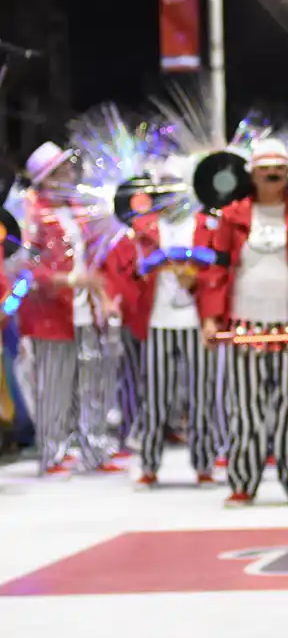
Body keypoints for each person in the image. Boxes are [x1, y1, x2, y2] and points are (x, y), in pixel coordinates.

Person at [199, 137, 288, 506]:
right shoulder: (232, 215)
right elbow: (217, 271)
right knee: (246, 408)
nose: (273, 175)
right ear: (253, 174)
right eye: (265, 170)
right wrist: (211, 318)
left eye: (279, 170)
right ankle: (243, 483)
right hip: (246, 324)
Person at [104, 155, 218, 487]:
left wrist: (196, 279)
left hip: (195, 321)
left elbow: (217, 272)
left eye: (174, 188)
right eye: (163, 189)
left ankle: (204, 464)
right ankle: (150, 464)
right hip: (156, 322)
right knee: (154, 396)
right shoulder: (145, 227)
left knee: (201, 395)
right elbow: (128, 271)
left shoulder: (204, 225)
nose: (169, 195)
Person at [17, 141, 124, 476]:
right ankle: (53, 453)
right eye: (60, 171)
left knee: (92, 381)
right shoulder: (33, 215)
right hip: (52, 314)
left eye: (68, 169)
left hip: (84, 310)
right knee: (54, 385)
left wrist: (103, 297)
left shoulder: (79, 211)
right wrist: (70, 280)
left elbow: (94, 259)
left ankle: (94, 449)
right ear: (46, 179)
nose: (69, 175)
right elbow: (29, 270)